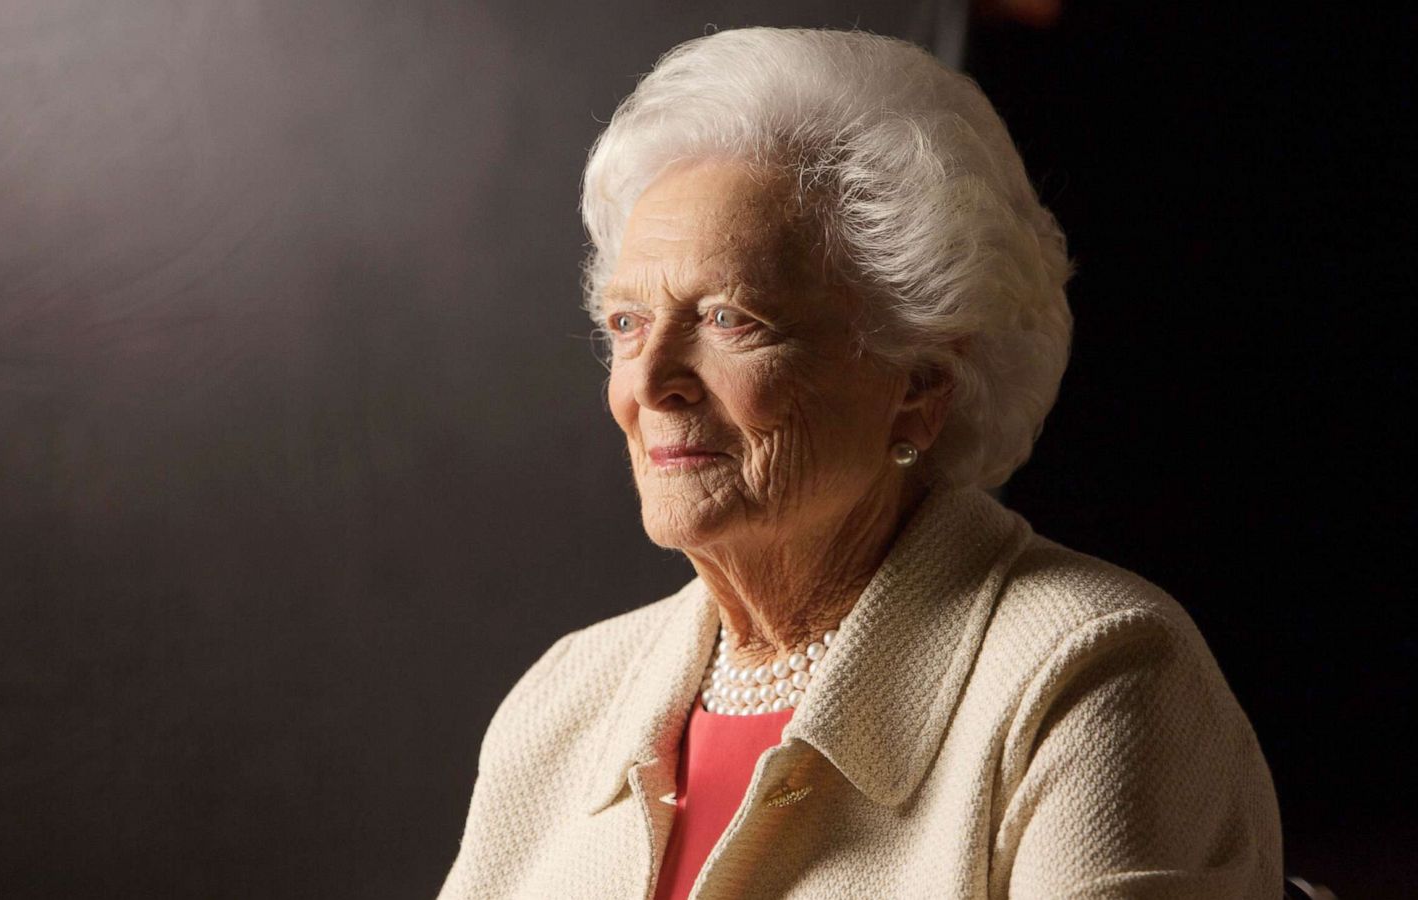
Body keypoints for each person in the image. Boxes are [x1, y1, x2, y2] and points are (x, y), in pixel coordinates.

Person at [438, 26, 1282, 900]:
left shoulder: (1094, 675)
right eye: (626, 325)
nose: (649, 382)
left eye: (730, 319)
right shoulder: (565, 700)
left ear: (919, 381)